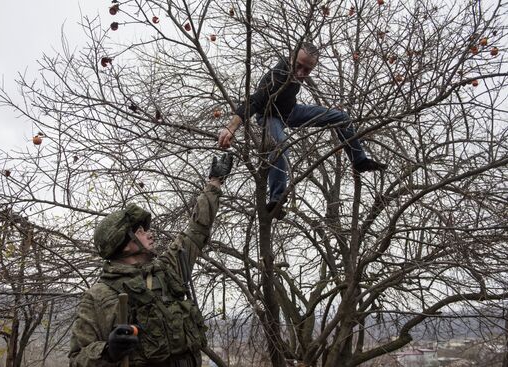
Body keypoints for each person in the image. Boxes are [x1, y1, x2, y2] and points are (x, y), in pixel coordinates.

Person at [69, 153, 233, 367]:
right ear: (123, 243)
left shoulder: (168, 268)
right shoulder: (99, 296)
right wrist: (109, 350)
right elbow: (77, 358)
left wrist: (214, 182)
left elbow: (196, 229)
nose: (150, 234)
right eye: (140, 231)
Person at [218, 42, 386, 219]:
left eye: (307, 70)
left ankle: (359, 160)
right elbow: (253, 101)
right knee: (280, 145)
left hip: (291, 112)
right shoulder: (276, 76)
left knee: (341, 117)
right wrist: (231, 128)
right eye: (298, 66)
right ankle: (276, 200)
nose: (300, 73)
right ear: (291, 57)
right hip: (270, 116)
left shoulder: (300, 70)